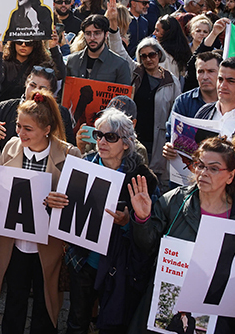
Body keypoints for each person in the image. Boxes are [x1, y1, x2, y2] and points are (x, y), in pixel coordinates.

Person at [129, 137, 235, 333]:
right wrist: (142, 219)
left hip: (215, 316)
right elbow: (147, 246)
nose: (203, 173)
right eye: (200, 165)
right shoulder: (174, 200)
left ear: (230, 176)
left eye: (214, 168)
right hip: (166, 304)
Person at [0, 89, 81, 334]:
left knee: (45, 301)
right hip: (15, 242)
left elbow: (78, 204)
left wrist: (61, 201)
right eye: (19, 126)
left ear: (46, 129)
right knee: (14, 299)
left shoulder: (69, 154)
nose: (20, 133)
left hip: (49, 245)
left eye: (28, 129)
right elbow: (1, 185)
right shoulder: (11, 147)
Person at [68, 108, 158, 333]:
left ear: (126, 143)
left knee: (111, 323)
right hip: (84, 259)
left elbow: (150, 231)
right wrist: (55, 204)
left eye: (110, 137)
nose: (102, 141)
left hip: (119, 265)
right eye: (98, 135)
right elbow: (66, 213)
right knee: (76, 320)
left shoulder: (143, 178)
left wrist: (130, 221)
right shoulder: (83, 164)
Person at [129, 38, 180, 188]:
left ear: (159, 55)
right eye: (143, 56)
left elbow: (177, 114)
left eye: (152, 54)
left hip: (158, 140)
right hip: (135, 137)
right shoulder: (135, 74)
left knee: (155, 181)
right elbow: (120, 51)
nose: (148, 59)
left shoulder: (171, 81)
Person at [0, 26, 63, 102]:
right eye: (19, 41)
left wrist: (54, 48)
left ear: (35, 44)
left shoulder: (40, 64)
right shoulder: (5, 62)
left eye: (28, 42)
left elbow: (60, 75)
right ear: (13, 42)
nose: (23, 45)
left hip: (33, 107)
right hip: (8, 109)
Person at [65, 15, 132, 85]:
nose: (92, 38)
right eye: (88, 34)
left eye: (97, 33)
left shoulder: (120, 64)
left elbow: (124, 94)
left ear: (106, 34)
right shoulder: (72, 61)